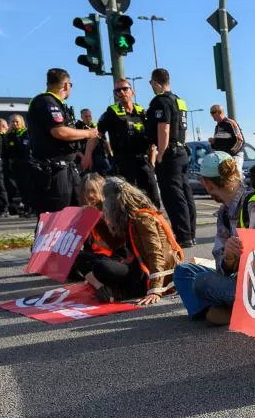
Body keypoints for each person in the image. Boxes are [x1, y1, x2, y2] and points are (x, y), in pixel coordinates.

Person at [172, 152, 255, 326]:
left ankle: (236, 311)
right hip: (241, 280)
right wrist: (228, 258)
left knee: (202, 283)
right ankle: (227, 311)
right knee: (183, 271)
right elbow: (222, 263)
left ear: (207, 183)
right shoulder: (224, 213)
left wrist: (241, 256)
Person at [86, 177, 183, 305]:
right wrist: (97, 221)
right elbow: (115, 243)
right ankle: (113, 289)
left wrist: (155, 289)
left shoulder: (142, 218)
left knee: (101, 267)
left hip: (153, 272)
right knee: (98, 265)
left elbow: (155, 254)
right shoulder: (132, 217)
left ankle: (116, 290)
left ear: (113, 201)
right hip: (140, 267)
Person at [27, 68, 99, 213]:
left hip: (68, 168)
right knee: (56, 217)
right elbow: (59, 131)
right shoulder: (46, 101)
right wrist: (88, 133)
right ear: (66, 85)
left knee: (77, 213)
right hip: (53, 170)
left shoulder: (58, 104)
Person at [85, 79, 162, 210]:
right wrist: (87, 156)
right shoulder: (111, 113)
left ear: (132, 92)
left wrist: (153, 160)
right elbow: (96, 134)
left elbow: (152, 139)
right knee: (127, 203)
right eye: (117, 90)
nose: (121, 92)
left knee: (153, 200)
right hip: (123, 163)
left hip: (143, 163)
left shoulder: (142, 113)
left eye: (125, 89)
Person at [145, 68, 196, 248]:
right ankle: (190, 233)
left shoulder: (161, 101)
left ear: (155, 82)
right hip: (182, 151)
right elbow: (183, 128)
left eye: (151, 83)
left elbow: (164, 128)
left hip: (171, 154)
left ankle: (183, 236)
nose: (151, 86)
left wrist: (161, 154)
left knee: (173, 196)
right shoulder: (179, 101)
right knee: (185, 193)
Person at [69, 173, 126, 281]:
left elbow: (119, 245)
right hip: (97, 255)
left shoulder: (113, 211)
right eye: (87, 191)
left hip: (115, 257)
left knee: (101, 266)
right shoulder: (87, 212)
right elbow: (87, 245)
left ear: (102, 191)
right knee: (74, 257)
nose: (90, 195)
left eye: (93, 191)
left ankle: (96, 281)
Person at [2, 114, 30, 215]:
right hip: (13, 165)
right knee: (15, 188)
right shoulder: (9, 135)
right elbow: (5, 151)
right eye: (13, 122)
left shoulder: (26, 133)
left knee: (27, 187)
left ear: (21, 122)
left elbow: (24, 148)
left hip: (25, 164)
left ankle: (29, 208)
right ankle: (16, 209)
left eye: (17, 121)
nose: (14, 123)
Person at [76, 108, 111, 174]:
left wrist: (110, 154)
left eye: (89, 116)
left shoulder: (96, 126)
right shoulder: (77, 128)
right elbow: (74, 147)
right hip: (84, 157)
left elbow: (105, 141)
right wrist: (84, 157)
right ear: (81, 117)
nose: (88, 118)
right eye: (86, 116)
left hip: (100, 157)